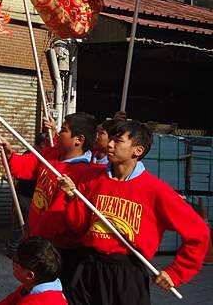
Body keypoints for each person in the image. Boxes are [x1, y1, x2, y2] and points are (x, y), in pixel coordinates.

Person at [58, 120, 211, 305]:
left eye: (118, 141)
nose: (110, 144)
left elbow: (198, 233)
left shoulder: (155, 190)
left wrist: (176, 272)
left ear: (137, 151)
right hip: (87, 268)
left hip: (127, 273)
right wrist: (73, 197)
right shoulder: (92, 178)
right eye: (110, 139)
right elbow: (77, 226)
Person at [0, 113, 102, 294]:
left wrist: (35, 240)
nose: (57, 134)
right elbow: (26, 165)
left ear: (79, 140)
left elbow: (57, 216)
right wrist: (10, 153)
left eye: (64, 131)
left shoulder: (82, 173)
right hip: (38, 238)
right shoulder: (51, 154)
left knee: (51, 293)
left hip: (56, 249)